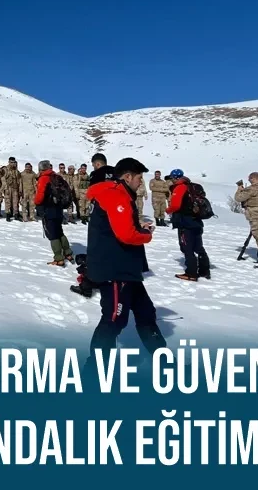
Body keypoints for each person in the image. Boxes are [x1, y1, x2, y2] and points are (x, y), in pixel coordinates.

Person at [84, 157, 167, 366]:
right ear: (127, 177)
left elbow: (120, 228)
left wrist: (139, 230)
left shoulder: (117, 194)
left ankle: (163, 362)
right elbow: (126, 235)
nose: (141, 182)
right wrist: (145, 235)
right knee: (113, 318)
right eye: (139, 177)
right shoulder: (115, 195)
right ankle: (96, 371)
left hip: (124, 266)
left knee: (145, 312)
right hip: (114, 268)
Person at [165, 168, 211, 281]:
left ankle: (191, 273)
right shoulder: (191, 186)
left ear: (175, 178)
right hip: (196, 221)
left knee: (187, 248)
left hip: (185, 222)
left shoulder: (180, 187)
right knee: (198, 247)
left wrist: (168, 210)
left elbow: (175, 205)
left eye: (171, 178)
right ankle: (204, 271)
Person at [34, 160, 73, 266]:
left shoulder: (44, 178)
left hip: (48, 209)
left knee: (52, 234)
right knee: (59, 231)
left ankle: (58, 258)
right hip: (58, 209)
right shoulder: (57, 177)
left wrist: (36, 203)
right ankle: (68, 253)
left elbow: (40, 196)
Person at [2, 157, 22, 221]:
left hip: (15, 188)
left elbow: (19, 180)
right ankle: (8, 214)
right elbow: (3, 179)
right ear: (9, 162)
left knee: (15, 202)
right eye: (11, 162)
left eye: (14, 162)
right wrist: (5, 188)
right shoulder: (5, 169)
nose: (13, 164)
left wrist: (20, 188)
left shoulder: (16, 171)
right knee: (8, 202)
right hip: (8, 188)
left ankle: (16, 214)